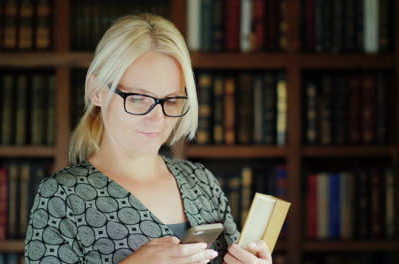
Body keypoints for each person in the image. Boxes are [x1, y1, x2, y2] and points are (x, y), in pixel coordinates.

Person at [24, 13, 272, 264]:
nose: (156, 118)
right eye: (138, 98)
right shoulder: (62, 197)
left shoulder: (201, 182)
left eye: (171, 100)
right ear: (96, 90)